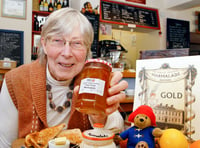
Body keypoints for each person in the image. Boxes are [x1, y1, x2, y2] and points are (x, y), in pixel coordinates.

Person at [0, 7, 128, 147]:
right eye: (58, 41)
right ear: (44, 44)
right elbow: (5, 143)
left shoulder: (93, 78)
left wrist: (101, 115)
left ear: (87, 49)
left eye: (77, 43)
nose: (67, 53)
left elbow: (117, 128)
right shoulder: (16, 80)